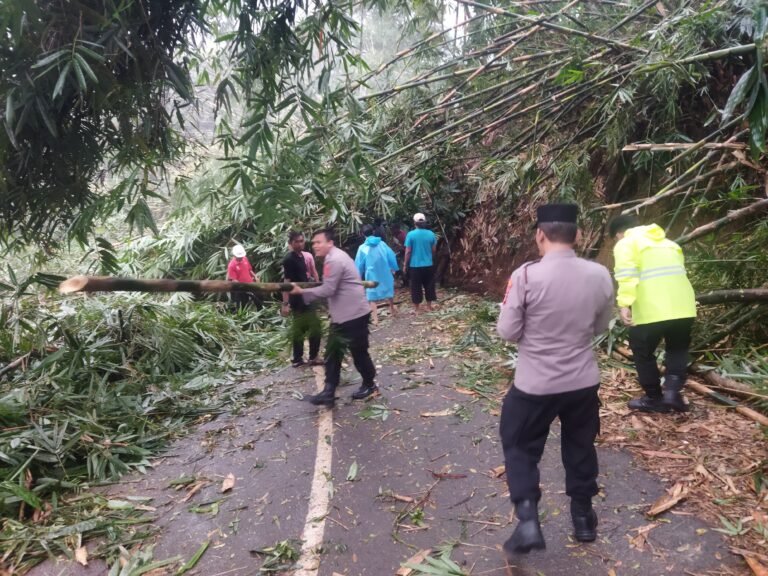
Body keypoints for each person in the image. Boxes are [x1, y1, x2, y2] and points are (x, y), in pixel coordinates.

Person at [496, 203, 614, 559]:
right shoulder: (600, 274)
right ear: (579, 235)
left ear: (540, 235)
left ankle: (529, 519)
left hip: (535, 385)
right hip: (582, 381)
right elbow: (600, 327)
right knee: (580, 445)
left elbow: (507, 331)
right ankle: (583, 519)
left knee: (518, 444)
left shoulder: (526, 275)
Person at [609, 214, 697, 413]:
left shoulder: (626, 243)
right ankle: (673, 393)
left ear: (619, 233)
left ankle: (654, 398)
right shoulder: (670, 244)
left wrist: (624, 304)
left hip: (652, 309)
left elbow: (626, 275)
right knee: (677, 349)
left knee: (642, 351)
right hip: (684, 307)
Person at [290, 229, 378, 407]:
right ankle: (329, 392)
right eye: (313, 243)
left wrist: (302, 292)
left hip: (353, 315)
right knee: (333, 353)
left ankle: (370, 385)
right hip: (345, 315)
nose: (314, 246)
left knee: (358, 352)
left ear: (330, 243)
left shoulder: (334, 260)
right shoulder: (335, 257)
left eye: (318, 242)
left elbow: (328, 289)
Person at [281, 231, 323, 368]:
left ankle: (306, 357)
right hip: (297, 300)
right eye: (297, 242)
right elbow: (286, 281)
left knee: (312, 327)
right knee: (307, 328)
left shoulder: (302, 257)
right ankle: (302, 358)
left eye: (301, 241)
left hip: (306, 296)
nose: (300, 244)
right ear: (291, 244)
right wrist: (285, 303)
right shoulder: (289, 259)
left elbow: (307, 276)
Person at [355, 224, 398, 325]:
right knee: (388, 289)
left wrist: (357, 275)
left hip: (371, 273)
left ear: (362, 234)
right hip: (384, 270)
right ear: (373, 232)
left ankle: (375, 318)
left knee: (371, 295)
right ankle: (392, 310)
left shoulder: (362, 248)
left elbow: (359, 263)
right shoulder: (382, 244)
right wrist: (394, 267)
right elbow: (391, 255)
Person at [404, 213, 437, 313]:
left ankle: (417, 309)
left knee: (416, 286)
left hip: (415, 266)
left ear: (415, 223)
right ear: (424, 222)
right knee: (429, 285)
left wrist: (405, 264)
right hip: (428, 264)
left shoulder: (410, 235)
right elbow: (434, 250)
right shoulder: (431, 234)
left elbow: (408, 251)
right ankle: (429, 306)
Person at [226, 244, 258, 309]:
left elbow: (249, 269)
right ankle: (241, 315)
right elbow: (234, 279)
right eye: (239, 257)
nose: (240, 258)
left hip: (250, 284)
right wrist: (243, 286)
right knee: (241, 304)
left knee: (255, 299)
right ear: (234, 255)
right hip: (240, 288)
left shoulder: (245, 259)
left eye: (241, 256)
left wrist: (255, 276)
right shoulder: (231, 265)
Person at [391, 222, 408, 287]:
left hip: (403, 254)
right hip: (398, 254)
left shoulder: (402, 235)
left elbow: (405, 246)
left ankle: (405, 282)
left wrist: (400, 251)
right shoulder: (395, 234)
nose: (392, 230)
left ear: (397, 229)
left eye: (393, 229)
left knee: (402, 268)